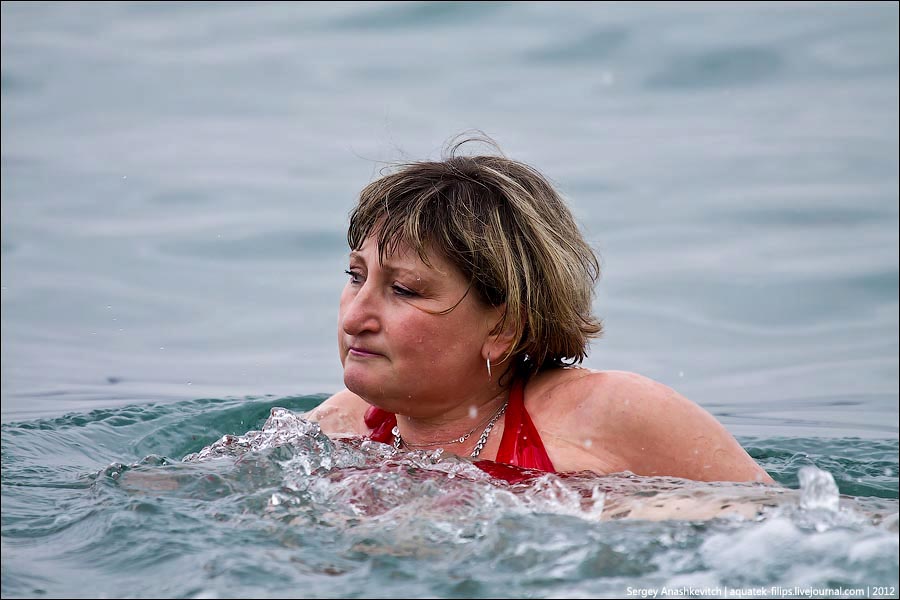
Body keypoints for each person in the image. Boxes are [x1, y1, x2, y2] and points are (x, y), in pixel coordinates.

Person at [306, 134, 774, 486]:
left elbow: (789, 527)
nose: (353, 318)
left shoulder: (609, 415)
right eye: (355, 276)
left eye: (404, 289)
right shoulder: (338, 427)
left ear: (505, 327)